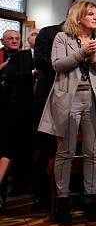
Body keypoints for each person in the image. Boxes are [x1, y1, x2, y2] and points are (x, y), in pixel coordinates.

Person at [38, 1, 96, 225]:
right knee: (66, 151)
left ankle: (90, 199)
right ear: (78, 16)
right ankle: (63, 202)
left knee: (93, 151)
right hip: (68, 98)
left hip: (93, 98)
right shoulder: (63, 38)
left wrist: (94, 58)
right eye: (90, 14)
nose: (95, 18)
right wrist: (82, 53)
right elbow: (58, 65)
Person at [32, 21, 65, 209]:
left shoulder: (88, 36)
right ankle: (42, 194)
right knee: (46, 146)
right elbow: (40, 60)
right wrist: (67, 60)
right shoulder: (49, 33)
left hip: (75, 96)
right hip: (49, 94)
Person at [4, 28, 40, 196]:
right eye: (33, 34)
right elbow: (11, 76)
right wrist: (31, 73)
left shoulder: (49, 57)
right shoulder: (20, 56)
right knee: (19, 147)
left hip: (40, 109)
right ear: (28, 39)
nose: (37, 37)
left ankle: (34, 185)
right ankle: (19, 185)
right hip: (21, 108)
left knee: (36, 148)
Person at [0, 29, 22, 206]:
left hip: (15, 108)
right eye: (10, 38)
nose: (14, 41)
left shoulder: (25, 56)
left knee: (9, 149)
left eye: (17, 38)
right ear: (3, 40)